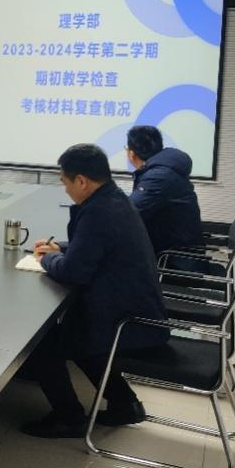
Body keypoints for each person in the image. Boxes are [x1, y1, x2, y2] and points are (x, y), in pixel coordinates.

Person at [20, 143, 169, 438]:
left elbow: (74, 272)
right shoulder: (113, 199)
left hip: (128, 320)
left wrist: (46, 259)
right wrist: (61, 248)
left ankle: (69, 418)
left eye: (65, 182)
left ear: (82, 181)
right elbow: (94, 246)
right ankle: (125, 404)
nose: (65, 190)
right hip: (138, 306)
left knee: (44, 342)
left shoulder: (98, 212)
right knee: (75, 334)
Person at [126, 125, 203, 255]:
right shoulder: (163, 170)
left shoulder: (159, 177)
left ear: (131, 154)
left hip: (173, 256)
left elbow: (129, 213)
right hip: (173, 246)